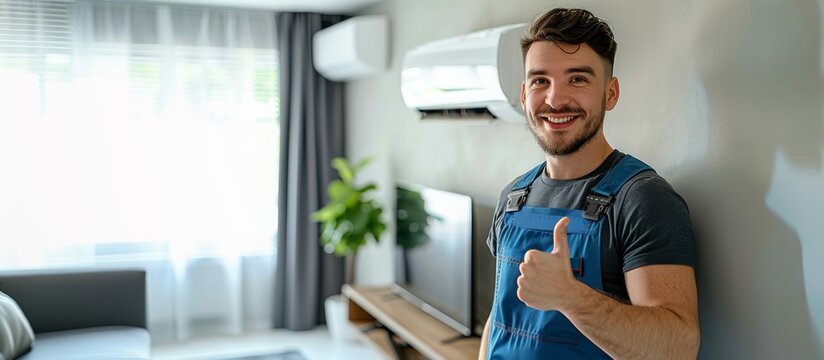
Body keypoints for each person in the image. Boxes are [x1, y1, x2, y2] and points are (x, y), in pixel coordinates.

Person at [478, 8, 700, 359]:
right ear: (524, 96)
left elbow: (677, 348)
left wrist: (570, 296)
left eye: (577, 79)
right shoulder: (513, 198)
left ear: (610, 93)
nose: (554, 99)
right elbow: (498, 321)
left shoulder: (643, 200)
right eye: (540, 81)